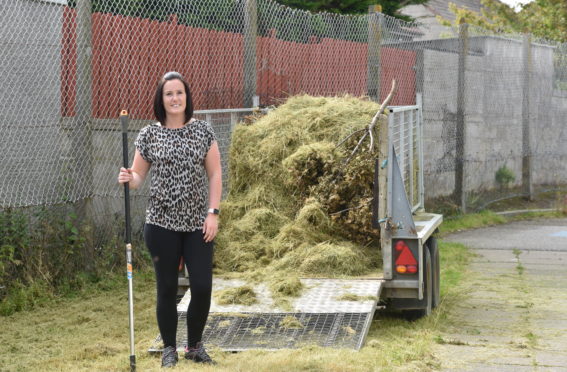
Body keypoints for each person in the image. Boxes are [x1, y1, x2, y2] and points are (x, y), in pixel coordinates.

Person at [117, 71, 222, 368]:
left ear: (186, 97)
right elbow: (138, 177)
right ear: (161, 100)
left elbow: (215, 174)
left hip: (197, 224)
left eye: (179, 93)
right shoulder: (149, 134)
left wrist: (213, 213)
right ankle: (169, 349)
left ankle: (194, 345)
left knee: (201, 286)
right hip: (161, 224)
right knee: (166, 288)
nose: (175, 98)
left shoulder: (203, 131)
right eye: (169, 94)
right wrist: (128, 177)